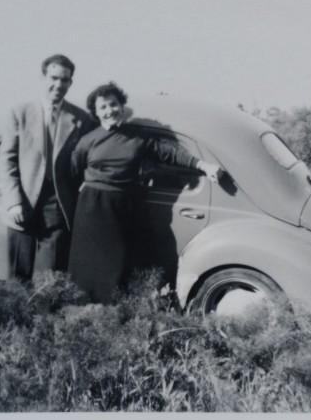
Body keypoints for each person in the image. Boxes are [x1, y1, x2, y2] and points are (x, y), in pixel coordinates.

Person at [68, 82, 222, 304]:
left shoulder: (139, 137)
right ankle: (86, 311)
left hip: (124, 205)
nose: (109, 110)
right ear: (96, 112)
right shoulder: (88, 140)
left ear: (121, 106)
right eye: (103, 107)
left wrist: (203, 166)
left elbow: (170, 154)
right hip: (92, 208)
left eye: (113, 104)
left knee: (119, 264)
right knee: (90, 265)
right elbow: (73, 170)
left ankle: (116, 312)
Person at [0, 54, 94, 279]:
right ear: (43, 78)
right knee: (17, 273)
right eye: (53, 78)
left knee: (50, 276)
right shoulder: (19, 112)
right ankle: (16, 314)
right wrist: (14, 202)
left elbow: (89, 158)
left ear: (71, 83)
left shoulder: (81, 119)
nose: (58, 85)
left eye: (65, 80)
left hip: (58, 205)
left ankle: (43, 314)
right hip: (23, 200)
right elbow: (7, 159)